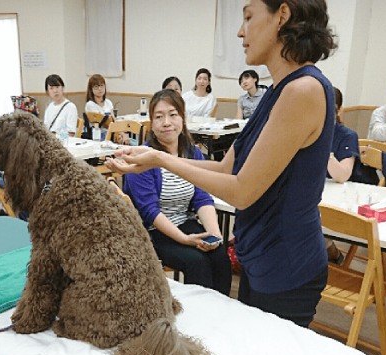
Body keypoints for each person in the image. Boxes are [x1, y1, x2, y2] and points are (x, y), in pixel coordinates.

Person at [107, 0, 337, 328]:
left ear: (282, 16)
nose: (241, 31)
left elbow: (241, 192)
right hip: (260, 255)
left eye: (248, 17)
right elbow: (228, 169)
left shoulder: (303, 90)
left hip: (286, 261)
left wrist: (158, 158)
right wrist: (157, 159)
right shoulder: (279, 90)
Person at [124, 89, 232, 295]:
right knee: (197, 262)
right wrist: (184, 239)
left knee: (220, 256)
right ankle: (197, 322)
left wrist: (214, 233)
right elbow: (149, 211)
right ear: (151, 124)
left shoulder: (193, 153)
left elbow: (202, 196)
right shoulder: (143, 157)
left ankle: (220, 318)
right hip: (153, 231)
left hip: (184, 220)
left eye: (173, 115)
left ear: (183, 118)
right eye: (159, 117)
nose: (166, 122)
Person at [326, 87, 360, 264]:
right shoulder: (303, 129)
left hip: (339, 195)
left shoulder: (347, 135)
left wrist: (322, 145)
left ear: (338, 110)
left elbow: (342, 176)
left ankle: (334, 255)